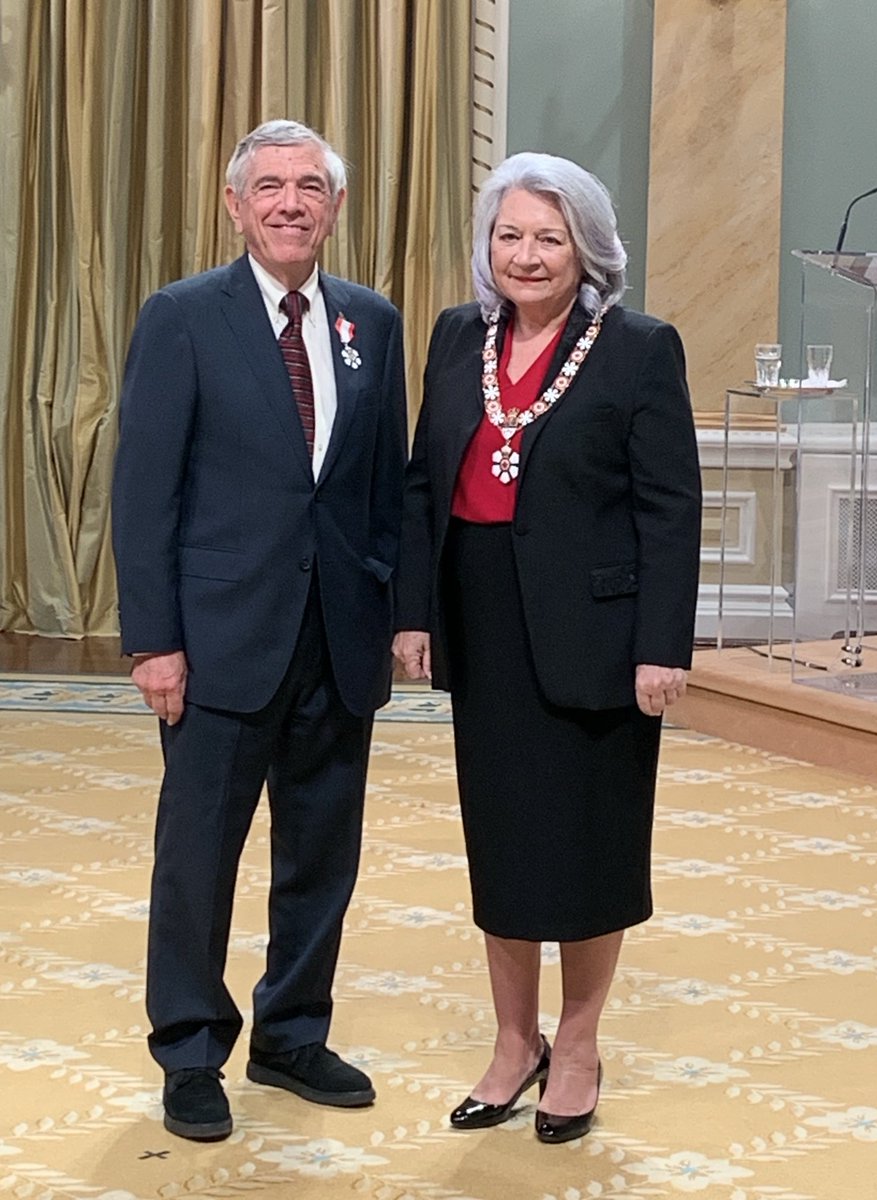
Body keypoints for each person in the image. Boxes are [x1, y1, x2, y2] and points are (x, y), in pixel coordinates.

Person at [392, 152, 701, 1144]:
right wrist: (415, 612)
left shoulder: (640, 348)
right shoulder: (454, 337)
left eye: (548, 237)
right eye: (509, 235)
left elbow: (670, 512)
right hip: (482, 622)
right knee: (507, 841)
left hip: (600, 638)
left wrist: (661, 646)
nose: (526, 255)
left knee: (590, 844)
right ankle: (511, 1038)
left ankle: (576, 1041)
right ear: (489, 245)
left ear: (588, 250)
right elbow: (419, 484)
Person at [112, 120, 407, 1141]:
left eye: (310, 186)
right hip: (218, 640)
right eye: (270, 185)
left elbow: (384, 490)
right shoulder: (184, 317)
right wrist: (154, 640)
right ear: (235, 205)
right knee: (199, 856)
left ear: (334, 206)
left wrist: (395, 614)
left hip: (340, 636)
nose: (291, 201)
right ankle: (191, 1050)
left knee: (322, 854)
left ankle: (292, 1033)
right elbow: (143, 490)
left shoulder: (372, 321)